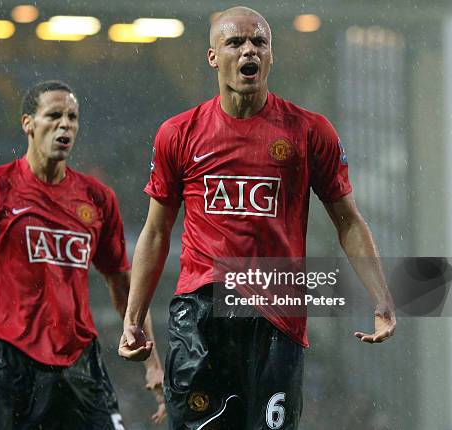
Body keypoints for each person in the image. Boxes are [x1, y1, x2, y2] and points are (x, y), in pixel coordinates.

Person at [118, 6, 396, 430]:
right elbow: (156, 232)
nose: (248, 50)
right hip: (202, 310)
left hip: (278, 312)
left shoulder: (309, 132)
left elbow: (349, 221)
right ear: (213, 56)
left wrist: (381, 296)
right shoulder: (179, 133)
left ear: (271, 56)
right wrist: (134, 319)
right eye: (235, 42)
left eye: (259, 42)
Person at [0, 80, 166, 429]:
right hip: (10, 363)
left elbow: (122, 284)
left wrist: (152, 361)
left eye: (72, 117)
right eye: (54, 115)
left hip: (79, 362)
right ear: (28, 123)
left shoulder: (97, 199)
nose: (65, 124)